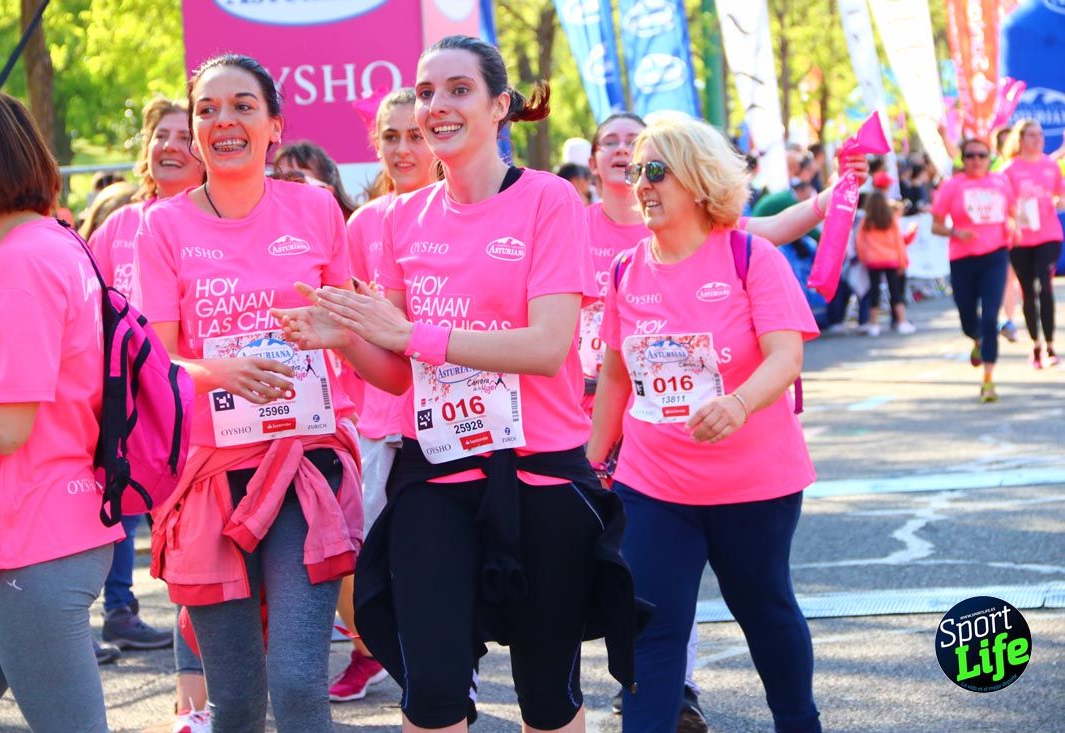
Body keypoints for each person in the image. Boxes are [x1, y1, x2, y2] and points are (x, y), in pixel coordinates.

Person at [275, 34, 642, 733]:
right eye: (425, 91)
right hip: (436, 476)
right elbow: (402, 374)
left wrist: (411, 335)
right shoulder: (398, 221)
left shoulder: (549, 199)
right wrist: (348, 338)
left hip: (541, 479)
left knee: (547, 697)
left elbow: (546, 345)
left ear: (500, 105)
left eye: (457, 89)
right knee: (433, 693)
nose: (436, 105)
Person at [134, 53, 393, 733]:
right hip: (208, 477)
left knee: (300, 685)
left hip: (306, 463)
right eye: (208, 109)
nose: (224, 120)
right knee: (240, 700)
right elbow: (155, 356)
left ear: (273, 126)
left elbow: (353, 328)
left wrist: (333, 329)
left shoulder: (314, 209)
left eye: (243, 105)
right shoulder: (161, 227)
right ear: (194, 130)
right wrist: (222, 372)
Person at [586, 116, 822, 733]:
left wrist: (738, 404)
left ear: (697, 180)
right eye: (637, 171)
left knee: (765, 612)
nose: (641, 183)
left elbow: (785, 356)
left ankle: (799, 722)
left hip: (755, 483)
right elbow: (615, 377)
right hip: (654, 483)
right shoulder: (625, 270)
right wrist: (588, 464)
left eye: (656, 170)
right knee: (654, 628)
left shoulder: (750, 255)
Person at [0, 87, 124, 733]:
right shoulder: (53, 244)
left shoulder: (22, 263)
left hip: (33, 536)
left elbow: (9, 425)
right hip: (26, 531)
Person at [87, 96, 209, 731]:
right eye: (160, 134)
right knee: (135, 533)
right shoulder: (115, 228)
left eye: (183, 135)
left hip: (202, 411)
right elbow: (90, 313)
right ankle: (193, 700)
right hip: (129, 414)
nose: (170, 144)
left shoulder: (214, 220)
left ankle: (219, 686)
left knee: (199, 554)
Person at [328, 87, 436, 704]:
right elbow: (347, 327)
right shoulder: (362, 225)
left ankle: (448, 665)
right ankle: (380, 654)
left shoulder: (465, 213)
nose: (401, 148)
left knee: (442, 556)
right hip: (379, 419)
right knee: (371, 552)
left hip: (454, 423)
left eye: (413, 135)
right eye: (390, 137)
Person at [931, 138, 1017, 402]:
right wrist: (956, 231)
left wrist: (1015, 228)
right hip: (963, 259)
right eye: (970, 156)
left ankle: (988, 380)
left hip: (995, 256)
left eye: (982, 155)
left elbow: (1011, 212)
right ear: (963, 159)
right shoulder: (952, 186)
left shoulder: (1001, 182)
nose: (976, 160)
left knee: (990, 316)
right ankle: (977, 340)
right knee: (969, 319)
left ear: (989, 158)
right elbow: (935, 225)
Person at [1001, 119, 1063, 368]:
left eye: (1040, 135)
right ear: (1020, 139)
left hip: (1049, 235)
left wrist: (1059, 202)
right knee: (1027, 290)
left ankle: (1050, 345)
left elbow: (1061, 195)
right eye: (1031, 135)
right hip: (1020, 238)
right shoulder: (1009, 170)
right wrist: (1014, 216)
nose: (1038, 139)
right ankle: (1035, 344)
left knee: (1044, 287)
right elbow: (1001, 203)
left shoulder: (1051, 166)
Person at [855, 190, 916, 336]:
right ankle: (901, 322)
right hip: (891, 259)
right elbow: (899, 243)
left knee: (874, 292)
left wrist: (865, 259)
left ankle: (874, 324)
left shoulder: (866, 222)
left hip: (872, 260)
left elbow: (859, 242)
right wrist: (902, 262)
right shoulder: (891, 220)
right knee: (895, 292)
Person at [274, 140, 358, 220]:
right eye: (276, 179)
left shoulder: (354, 229)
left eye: (296, 180)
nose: (283, 189)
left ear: (327, 191)